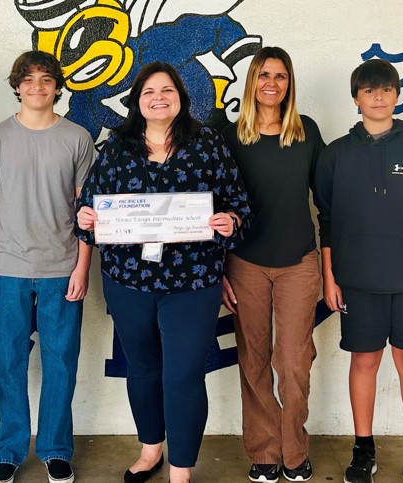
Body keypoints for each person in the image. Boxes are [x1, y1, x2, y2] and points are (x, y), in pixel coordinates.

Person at [75, 62, 251, 483]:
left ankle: (180, 468)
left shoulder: (206, 143)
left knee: (184, 373)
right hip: (128, 281)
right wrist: (86, 218)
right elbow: (88, 207)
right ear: (137, 101)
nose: (158, 98)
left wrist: (230, 221)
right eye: (149, 91)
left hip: (193, 282)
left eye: (167, 90)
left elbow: (239, 206)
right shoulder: (116, 148)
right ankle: (151, 448)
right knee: (142, 368)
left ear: (180, 97)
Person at [315, 59, 403, 483]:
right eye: (369, 90)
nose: (378, 97)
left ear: (397, 95)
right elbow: (327, 220)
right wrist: (329, 277)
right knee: (364, 361)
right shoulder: (336, 153)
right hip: (358, 281)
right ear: (356, 99)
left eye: (386, 89)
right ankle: (363, 451)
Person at [0, 51, 95, 483]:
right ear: (17, 86)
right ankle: (8, 450)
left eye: (46, 79)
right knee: (7, 362)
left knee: (61, 361)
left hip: (62, 267)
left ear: (57, 86)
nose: (37, 86)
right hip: (7, 267)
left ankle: (55, 449)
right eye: (28, 80)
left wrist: (82, 267)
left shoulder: (78, 138)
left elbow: (88, 210)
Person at [219, 46, 325, 483]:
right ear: (252, 82)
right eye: (264, 75)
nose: (271, 84)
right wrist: (220, 269)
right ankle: (264, 451)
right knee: (254, 360)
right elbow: (217, 205)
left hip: (298, 260)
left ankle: (294, 451)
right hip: (246, 262)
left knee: (295, 361)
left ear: (289, 84)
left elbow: (325, 200)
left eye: (280, 76)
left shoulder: (306, 132)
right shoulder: (230, 136)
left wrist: (330, 264)